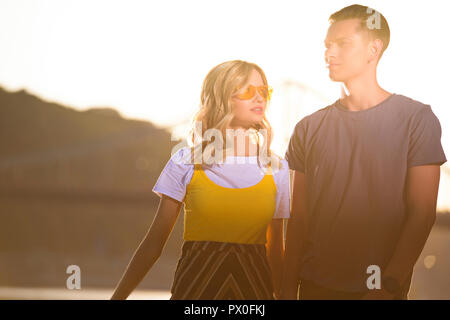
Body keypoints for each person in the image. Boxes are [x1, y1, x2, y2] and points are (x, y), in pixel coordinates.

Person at [280, 4, 447, 300]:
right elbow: (298, 219)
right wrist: (286, 288)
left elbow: (422, 213)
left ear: (373, 50)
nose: (329, 54)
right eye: (327, 45)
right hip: (314, 288)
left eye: (342, 44)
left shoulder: (417, 119)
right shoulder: (307, 128)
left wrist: (389, 285)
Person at [111, 60, 290, 300]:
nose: (259, 98)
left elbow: (275, 251)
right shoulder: (186, 162)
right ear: (222, 98)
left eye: (263, 90)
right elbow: (153, 244)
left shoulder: (276, 168)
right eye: (248, 90)